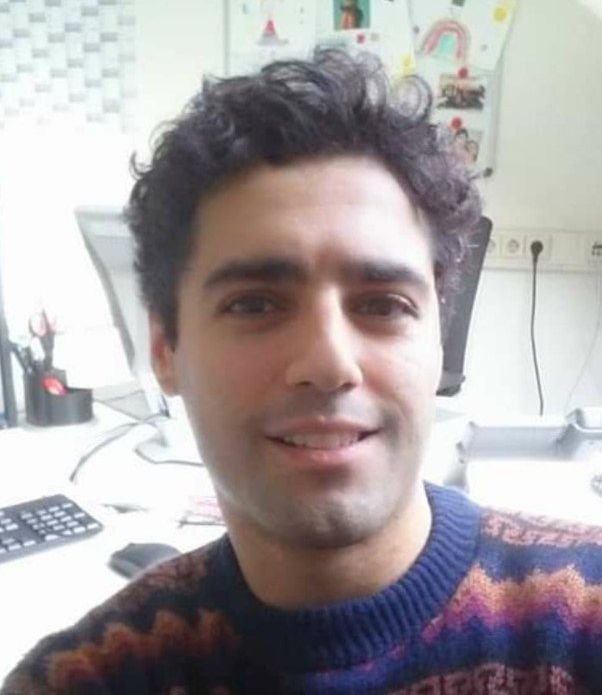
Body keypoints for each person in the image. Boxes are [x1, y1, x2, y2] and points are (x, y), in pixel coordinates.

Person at [2, 49, 601, 695]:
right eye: (254, 304)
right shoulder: (86, 679)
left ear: (436, 343)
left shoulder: (584, 620)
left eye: (383, 305)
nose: (329, 363)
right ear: (165, 349)